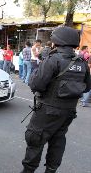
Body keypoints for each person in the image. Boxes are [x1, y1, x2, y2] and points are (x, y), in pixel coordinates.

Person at [21, 26, 91, 173]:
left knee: (35, 138)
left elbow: (37, 84)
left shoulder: (53, 60)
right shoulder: (82, 63)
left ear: (57, 41)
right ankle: (51, 169)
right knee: (58, 139)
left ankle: (28, 170)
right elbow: (86, 87)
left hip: (48, 110)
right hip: (68, 111)